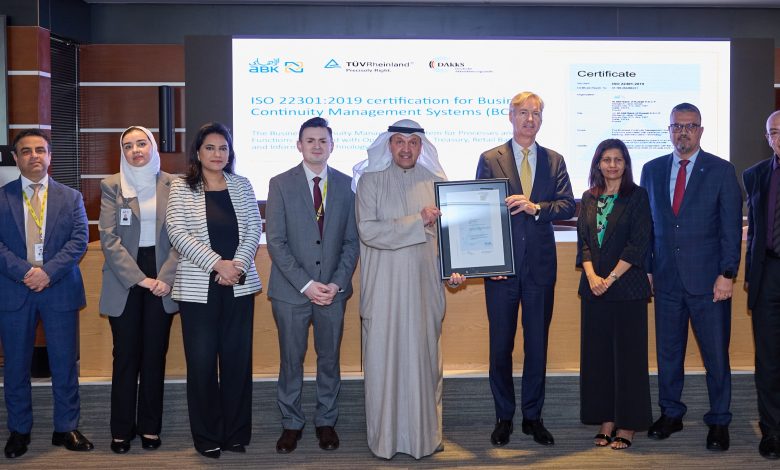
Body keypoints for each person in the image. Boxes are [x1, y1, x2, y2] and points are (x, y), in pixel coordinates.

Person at [354, 119, 464, 459]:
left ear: (421, 147)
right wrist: (418, 220)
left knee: (423, 364)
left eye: (413, 142)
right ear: (389, 145)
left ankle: (424, 438)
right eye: (399, 141)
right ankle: (385, 441)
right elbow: (368, 231)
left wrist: (453, 270)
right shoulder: (369, 181)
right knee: (383, 363)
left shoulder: (437, 183)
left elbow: (448, 240)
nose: (406, 148)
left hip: (423, 291)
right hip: (383, 292)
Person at [640, 102, 742, 451]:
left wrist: (727, 274)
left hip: (709, 282)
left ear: (700, 130)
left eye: (690, 125)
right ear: (669, 131)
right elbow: (647, 226)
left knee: (716, 356)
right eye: (677, 126)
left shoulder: (721, 170)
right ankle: (671, 413)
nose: (683, 132)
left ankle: (719, 420)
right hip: (666, 280)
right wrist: (647, 269)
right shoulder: (652, 170)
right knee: (668, 354)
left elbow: (730, 229)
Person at [475, 91, 575, 447]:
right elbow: (480, 213)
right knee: (500, 347)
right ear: (511, 116)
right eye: (523, 112)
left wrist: (536, 208)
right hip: (501, 272)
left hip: (540, 270)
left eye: (536, 113)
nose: (529, 119)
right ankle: (504, 417)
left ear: (541, 119)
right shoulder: (490, 159)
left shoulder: (554, 160)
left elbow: (567, 206)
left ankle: (533, 417)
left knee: (537, 346)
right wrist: (488, 261)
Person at [165, 122, 262, 458]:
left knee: (237, 362)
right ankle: (207, 437)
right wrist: (217, 264)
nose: (217, 154)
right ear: (198, 152)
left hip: (238, 285)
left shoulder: (242, 184)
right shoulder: (181, 187)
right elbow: (177, 232)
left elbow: (254, 227)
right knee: (202, 364)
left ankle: (236, 434)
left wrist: (236, 266)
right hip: (198, 289)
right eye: (210, 148)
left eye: (223, 148)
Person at [266, 117, 359, 454]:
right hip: (291, 292)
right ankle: (291, 423)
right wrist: (306, 284)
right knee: (291, 360)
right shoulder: (280, 184)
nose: (317, 146)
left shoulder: (348, 185)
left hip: (333, 292)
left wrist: (336, 283)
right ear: (299, 145)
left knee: (329, 360)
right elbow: (276, 242)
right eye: (310, 140)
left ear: (332, 145)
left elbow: (351, 242)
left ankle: (326, 421)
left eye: (323, 140)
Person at [0, 129, 93, 458]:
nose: (34, 156)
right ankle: (19, 430)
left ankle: (66, 427)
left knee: (64, 363)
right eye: (26, 151)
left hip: (59, 288)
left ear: (50, 156)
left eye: (40, 150)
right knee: (16, 365)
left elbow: (79, 240)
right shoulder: (2, 197)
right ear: (16, 158)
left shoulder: (71, 197)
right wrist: (26, 273)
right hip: (14, 289)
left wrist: (47, 272)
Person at [98, 126, 179, 454]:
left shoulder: (174, 184)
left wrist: (165, 277)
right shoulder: (112, 185)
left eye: (141, 143)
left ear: (153, 146)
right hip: (125, 276)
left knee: (154, 355)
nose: (136, 150)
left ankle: (150, 427)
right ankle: (121, 429)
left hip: (163, 274)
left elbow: (182, 235)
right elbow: (109, 239)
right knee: (126, 355)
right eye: (128, 146)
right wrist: (141, 279)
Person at [576, 139, 652, 450]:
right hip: (594, 290)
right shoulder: (588, 197)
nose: (612, 165)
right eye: (606, 159)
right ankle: (606, 420)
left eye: (618, 159)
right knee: (599, 359)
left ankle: (628, 424)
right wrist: (593, 277)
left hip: (627, 289)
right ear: (598, 164)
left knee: (629, 359)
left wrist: (609, 278)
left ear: (626, 164)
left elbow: (638, 244)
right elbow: (584, 243)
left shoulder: (637, 196)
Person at [743, 109, 780, 460]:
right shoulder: (754, 175)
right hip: (767, 273)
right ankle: (772, 431)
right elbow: (754, 230)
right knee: (768, 359)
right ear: (768, 138)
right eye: (775, 132)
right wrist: (750, 276)